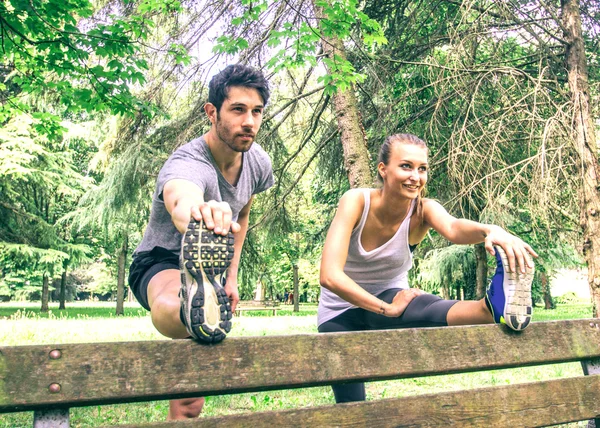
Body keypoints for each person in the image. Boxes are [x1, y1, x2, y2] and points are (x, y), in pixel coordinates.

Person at [318, 133, 536, 404]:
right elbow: (329, 275)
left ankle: (491, 307)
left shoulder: (423, 210)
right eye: (406, 166)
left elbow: (454, 228)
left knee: (422, 304)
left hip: (392, 296)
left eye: (422, 169)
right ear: (383, 170)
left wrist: (490, 230)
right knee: (351, 407)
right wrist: (388, 309)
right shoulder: (356, 201)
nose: (415, 177)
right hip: (339, 313)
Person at [128, 64, 273, 419]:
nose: (249, 121)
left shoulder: (258, 162)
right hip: (160, 260)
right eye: (238, 110)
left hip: (212, 274)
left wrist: (231, 278)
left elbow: (242, 215)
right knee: (171, 306)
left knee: (191, 401)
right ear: (212, 112)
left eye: (256, 111)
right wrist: (201, 212)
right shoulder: (189, 160)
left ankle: (203, 303)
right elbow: (180, 200)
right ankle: (189, 308)